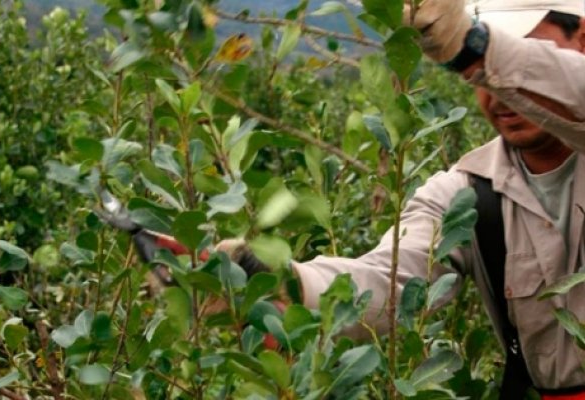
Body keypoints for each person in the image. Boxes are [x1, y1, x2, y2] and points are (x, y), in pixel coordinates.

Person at [216, 0, 585, 397]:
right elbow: (388, 282)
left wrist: (475, 45)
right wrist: (281, 278)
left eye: (520, 54)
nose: (496, 89)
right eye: (483, 77)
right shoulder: (467, 194)